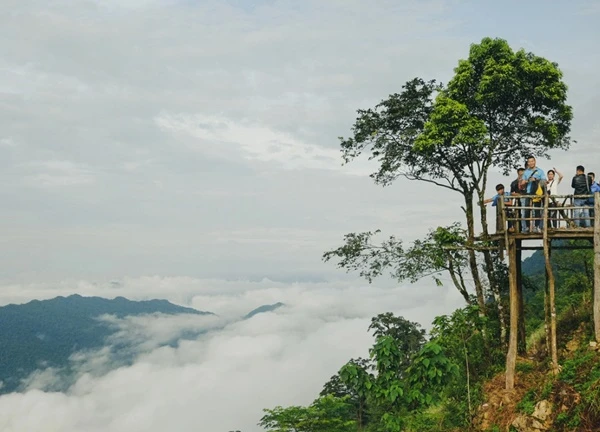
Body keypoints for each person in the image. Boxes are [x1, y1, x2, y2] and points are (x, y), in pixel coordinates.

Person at [521, 156, 546, 232]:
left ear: (535, 161)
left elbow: (544, 181)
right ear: (527, 163)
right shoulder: (525, 172)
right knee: (527, 209)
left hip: (537, 193)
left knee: (537, 210)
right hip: (528, 192)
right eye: (529, 161)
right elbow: (522, 184)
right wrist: (526, 181)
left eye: (532, 161)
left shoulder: (540, 171)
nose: (531, 163)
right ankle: (528, 226)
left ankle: (537, 226)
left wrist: (536, 179)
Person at [510, 168, 526, 232]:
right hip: (517, 202)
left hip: (525, 201)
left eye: (523, 172)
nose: (522, 173)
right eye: (520, 172)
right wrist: (518, 195)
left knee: (525, 214)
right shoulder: (514, 183)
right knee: (517, 215)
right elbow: (512, 193)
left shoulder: (526, 182)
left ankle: (525, 229)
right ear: (518, 173)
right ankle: (518, 229)